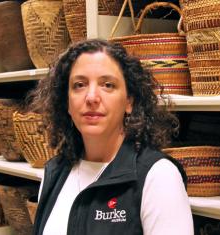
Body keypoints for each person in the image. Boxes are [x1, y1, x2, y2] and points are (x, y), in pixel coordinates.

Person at [28, 39, 194, 235]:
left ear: (129, 102)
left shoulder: (158, 176)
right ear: (67, 102)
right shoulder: (54, 172)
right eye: (79, 85)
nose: (91, 97)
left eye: (107, 85)